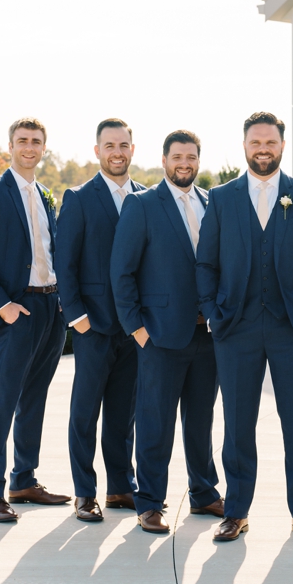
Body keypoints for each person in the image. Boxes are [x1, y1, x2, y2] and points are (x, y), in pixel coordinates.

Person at [195, 111, 293, 543]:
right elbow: (207, 262)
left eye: (270, 143)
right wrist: (213, 313)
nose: (263, 150)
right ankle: (235, 512)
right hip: (234, 329)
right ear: (244, 146)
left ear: (281, 146)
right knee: (238, 424)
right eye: (255, 142)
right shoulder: (221, 198)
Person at [110, 129, 223, 534]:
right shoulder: (142, 206)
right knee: (155, 422)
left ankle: (204, 493)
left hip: (206, 336)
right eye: (177, 156)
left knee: (201, 421)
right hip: (158, 336)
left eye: (191, 157)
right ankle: (150, 502)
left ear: (198, 160)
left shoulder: (212, 203)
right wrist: (137, 329)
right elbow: (121, 273)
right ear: (164, 160)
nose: (184, 163)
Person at [0, 117, 71, 523]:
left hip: (51, 308)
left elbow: (51, 250)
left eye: (36, 142)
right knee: (2, 400)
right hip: (16, 309)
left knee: (34, 399)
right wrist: (2, 305)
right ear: (10, 145)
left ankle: (24, 480)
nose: (29, 147)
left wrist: (64, 298)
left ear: (44, 148)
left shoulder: (46, 195)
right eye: (23, 141)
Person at [55, 118, 145, 521]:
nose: (117, 152)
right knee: (85, 413)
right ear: (97, 151)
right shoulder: (78, 198)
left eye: (123, 145)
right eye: (110, 145)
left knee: (124, 414)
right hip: (93, 327)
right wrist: (77, 318)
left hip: (134, 329)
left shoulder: (146, 197)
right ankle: (85, 493)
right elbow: (65, 262)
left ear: (132, 149)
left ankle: (121, 488)